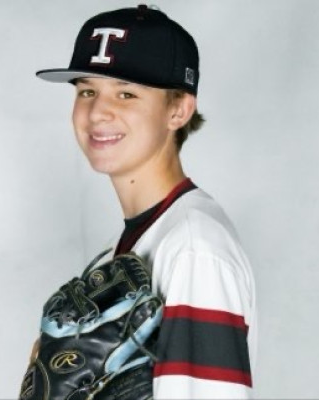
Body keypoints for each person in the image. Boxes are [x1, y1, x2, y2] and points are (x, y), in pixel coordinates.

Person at [35, 4, 257, 399]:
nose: (97, 112)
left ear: (178, 110)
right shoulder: (121, 251)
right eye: (87, 91)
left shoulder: (195, 250)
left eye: (126, 93)